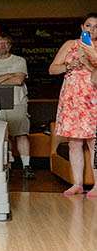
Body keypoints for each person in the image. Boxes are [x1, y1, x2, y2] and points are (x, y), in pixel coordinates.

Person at [48, 12, 97, 198]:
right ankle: (77, 183)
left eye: (96, 26)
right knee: (74, 143)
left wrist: (89, 63)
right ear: (82, 27)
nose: (92, 29)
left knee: (94, 142)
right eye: (88, 25)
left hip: (92, 99)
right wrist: (69, 66)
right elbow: (52, 69)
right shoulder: (70, 45)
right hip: (71, 98)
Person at [0, 34, 34, 178]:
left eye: (6, 43)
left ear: (10, 46)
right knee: (0, 136)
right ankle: (5, 166)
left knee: (21, 134)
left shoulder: (19, 61)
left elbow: (18, 80)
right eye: (0, 43)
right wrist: (8, 75)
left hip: (17, 102)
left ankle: (26, 166)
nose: (2, 46)